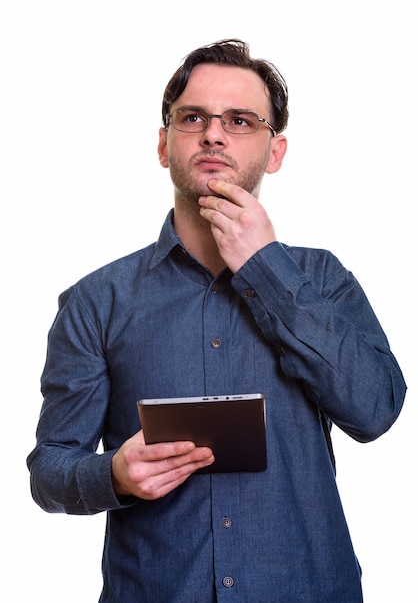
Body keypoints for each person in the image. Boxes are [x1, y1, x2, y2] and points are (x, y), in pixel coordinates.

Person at [27, 39, 406, 602]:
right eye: (194, 117)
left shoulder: (322, 279)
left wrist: (266, 269)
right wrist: (113, 475)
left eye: (240, 120)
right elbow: (51, 470)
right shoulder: (95, 301)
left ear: (275, 152)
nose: (213, 133)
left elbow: (375, 409)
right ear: (163, 143)